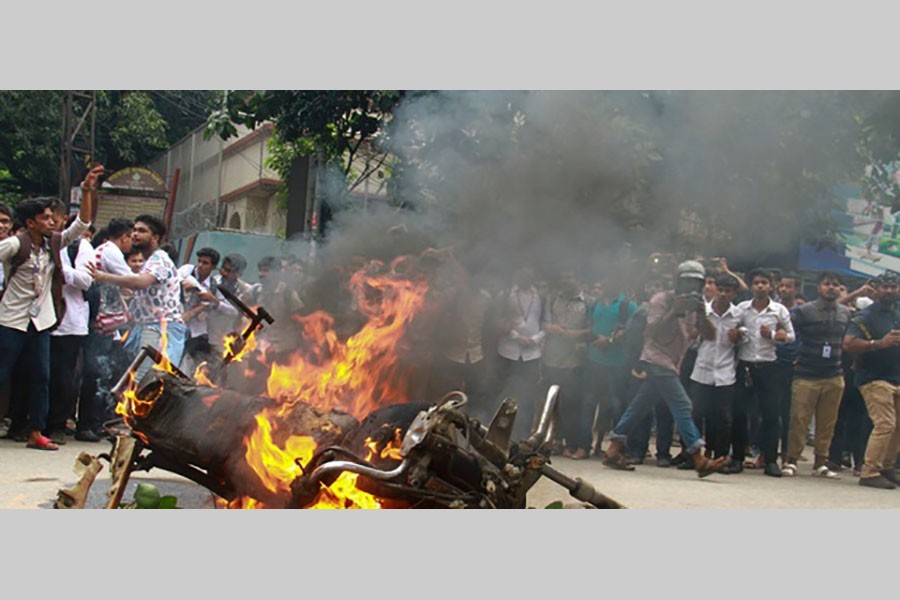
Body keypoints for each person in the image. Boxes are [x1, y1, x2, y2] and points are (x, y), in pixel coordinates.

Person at [0, 164, 99, 450]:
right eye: (45, 218)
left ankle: (36, 432)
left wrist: (88, 190)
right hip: (11, 320)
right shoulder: (13, 245)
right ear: (30, 223)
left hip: (40, 321)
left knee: (42, 377)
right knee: (3, 374)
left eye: (52, 218)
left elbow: (81, 225)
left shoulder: (53, 243)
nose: (52, 222)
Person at [602, 260, 728, 477]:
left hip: (673, 361)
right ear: (678, 282)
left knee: (639, 406)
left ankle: (613, 448)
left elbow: (709, 336)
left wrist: (701, 314)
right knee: (683, 406)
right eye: (686, 282)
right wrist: (674, 312)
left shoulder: (697, 305)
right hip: (656, 359)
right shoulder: (661, 300)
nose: (690, 288)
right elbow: (653, 332)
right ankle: (699, 458)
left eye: (694, 283)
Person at [89, 214, 186, 379]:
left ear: (155, 237)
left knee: (145, 382)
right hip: (148, 327)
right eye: (134, 230)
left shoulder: (160, 259)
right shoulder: (149, 261)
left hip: (160, 329)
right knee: (137, 383)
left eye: (141, 231)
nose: (135, 234)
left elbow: (141, 283)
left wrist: (104, 276)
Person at [781, 271, 851, 479]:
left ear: (840, 289)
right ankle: (791, 460)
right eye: (827, 284)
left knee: (828, 422)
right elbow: (786, 331)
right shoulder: (804, 311)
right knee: (799, 420)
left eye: (836, 284)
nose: (831, 287)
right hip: (806, 374)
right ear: (819, 287)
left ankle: (821, 462)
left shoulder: (846, 313)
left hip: (834, 374)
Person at [734, 269, 796, 477]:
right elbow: (733, 329)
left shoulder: (779, 310)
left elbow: (791, 336)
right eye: (756, 283)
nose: (760, 286)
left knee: (771, 415)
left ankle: (770, 460)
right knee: (740, 413)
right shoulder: (742, 309)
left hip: (769, 367)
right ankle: (737, 458)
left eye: (764, 283)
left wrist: (774, 335)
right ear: (751, 286)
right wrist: (737, 333)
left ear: (771, 286)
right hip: (745, 365)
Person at [842, 270, 900, 489]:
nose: (889, 291)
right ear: (876, 290)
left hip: (896, 376)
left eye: (893, 287)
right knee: (885, 424)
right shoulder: (866, 315)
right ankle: (869, 471)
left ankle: (887, 467)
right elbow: (848, 343)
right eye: (885, 287)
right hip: (873, 377)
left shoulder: (897, 313)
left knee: (898, 426)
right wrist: (878, 343)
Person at [46, 214, 98, 443]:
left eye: (54, 219)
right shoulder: (40, 244)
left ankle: (56, 425)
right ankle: (31, 423)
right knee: (37, 374)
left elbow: (87, 280)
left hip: (70, 322)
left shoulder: (80, 247)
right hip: (40, 319)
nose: (50, 223)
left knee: (63, 376)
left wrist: (58, 271)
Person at [81, 217, 135, 430]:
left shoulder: (106, 250)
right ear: (124, 237)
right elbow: (130, 279)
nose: (131, 242)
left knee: (101, 372)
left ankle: (94, 422)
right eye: (130, 237)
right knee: (96, 372)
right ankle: (89, 424)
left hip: (106, 322)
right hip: (101, 323)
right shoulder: (111, 252)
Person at [689, 274, 743, 473]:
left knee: (724, 418)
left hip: (725, 372)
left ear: (734, 293)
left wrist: (738, 337)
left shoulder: (738, 315)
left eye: (728, 290)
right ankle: (693, 456)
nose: (722, 294)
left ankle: (721, 458)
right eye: (720, 289)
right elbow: (693, 341)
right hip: (702, 369)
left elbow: (745, 342)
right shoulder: (704, 312)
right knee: (695, 415)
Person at [583, 273, 636, 458]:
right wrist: (594, 338)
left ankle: (617, 447)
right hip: (594, 361)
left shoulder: (627, 305)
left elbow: (632, 330)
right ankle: (586, 445)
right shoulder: (595, 304)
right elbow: (590, 326)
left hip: (617, 363)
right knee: (589, 402)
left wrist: (611, 340)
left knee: (616, 405)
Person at [541, 269, 592, 458]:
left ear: (578, 279)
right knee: (552, 402)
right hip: (552, 358)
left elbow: (591, 329)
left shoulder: (589, 302)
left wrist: (574, 334)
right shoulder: (553, 298)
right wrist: (554, 328)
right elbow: (544, 323)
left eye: (569, 276)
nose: (565, 280)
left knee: (571, 403)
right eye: (563, 277)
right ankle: (552, 440)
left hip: (574, 360)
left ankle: (570, 443)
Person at [495, 264, 545, 439]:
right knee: (505, 394)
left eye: (528, 268)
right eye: (522, 268)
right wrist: (516, 336)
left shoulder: (542, 296)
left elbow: (546, 322)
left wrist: (535, 339)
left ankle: (522, 436)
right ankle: (501, 434)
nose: (525, 272)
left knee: (528, 396)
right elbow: (499, 321)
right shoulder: (505, 294)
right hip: (508, 351)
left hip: (532, 353)